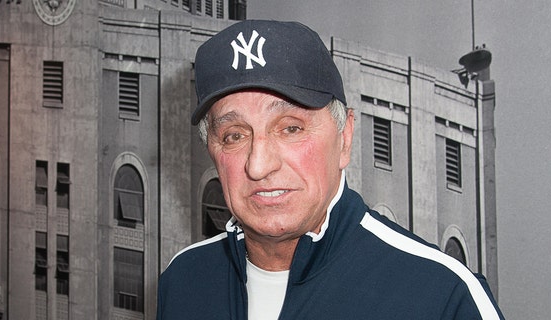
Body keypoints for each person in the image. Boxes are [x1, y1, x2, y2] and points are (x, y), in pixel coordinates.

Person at [156, 19, 504, 320]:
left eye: (290, 128)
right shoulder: (184, 280)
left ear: (344, 138)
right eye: (234, 135)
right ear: (212, 152)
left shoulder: (441, 296)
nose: (259, 165)